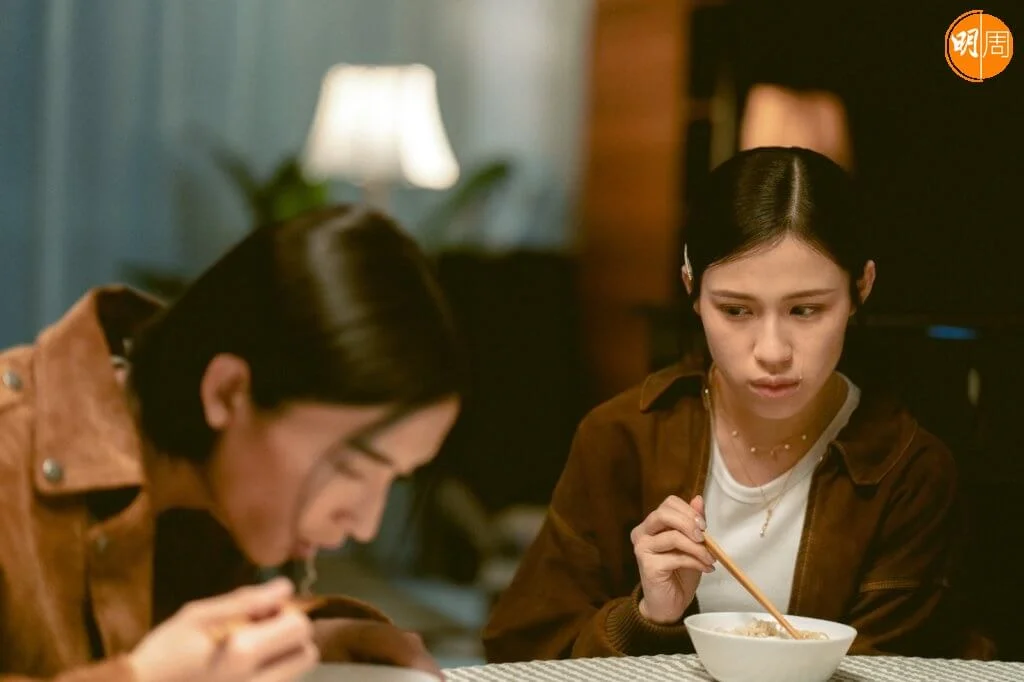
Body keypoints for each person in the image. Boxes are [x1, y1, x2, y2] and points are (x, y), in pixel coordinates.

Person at [482, 147, 977, 661]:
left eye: (806, 310)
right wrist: (647, 617)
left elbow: (898, 666)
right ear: (692, 289)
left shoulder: (907, 470)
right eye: (736, 310)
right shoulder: (623, 437)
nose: (772, 352)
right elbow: (524, 651)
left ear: (861, 288)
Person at [0, 204, 463, 681]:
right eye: (350, 467)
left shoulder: (211, 497)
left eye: (395, 478)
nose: (365, 524)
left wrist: (312, 641)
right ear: (225, 392)